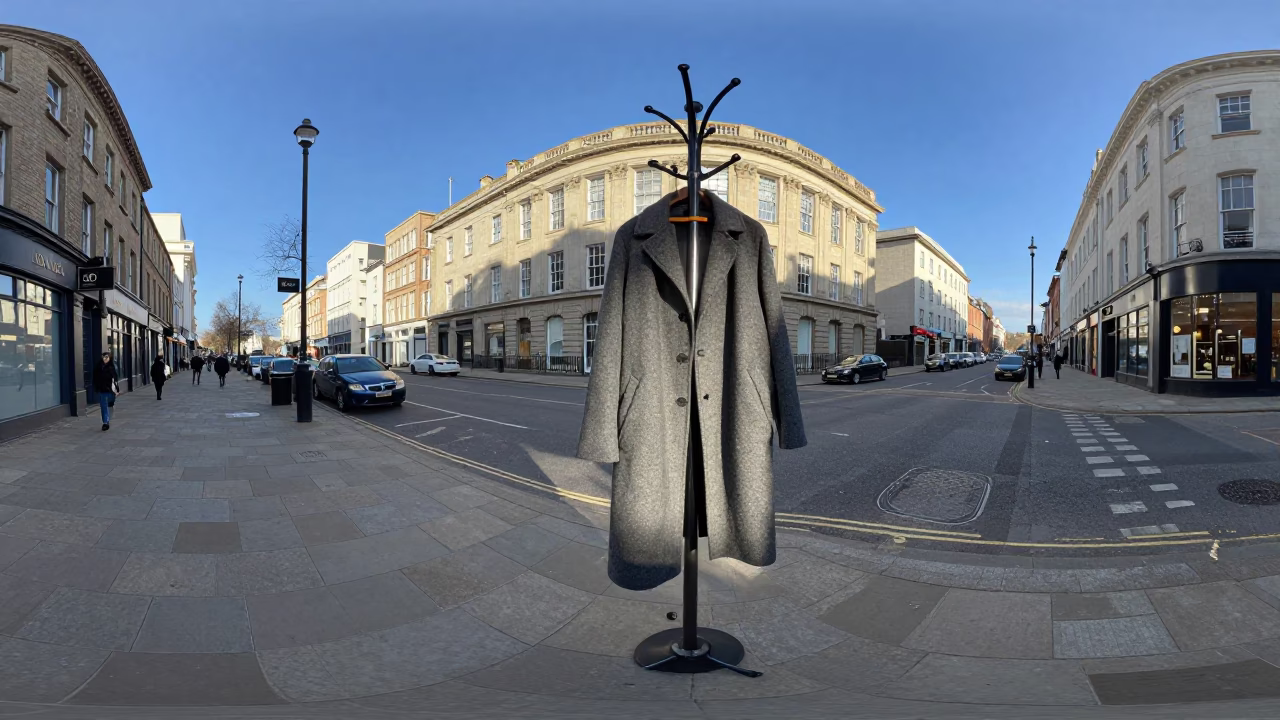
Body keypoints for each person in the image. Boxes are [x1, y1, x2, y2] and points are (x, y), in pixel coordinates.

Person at [93, 351, 118, 431]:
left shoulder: (112, 367)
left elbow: (115, 379)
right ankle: (105, 422)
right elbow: (95, 378)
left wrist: (116, 389)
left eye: (107, 357)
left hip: (111, 390)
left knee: (110, 405)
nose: (105, 359)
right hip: (102, 390)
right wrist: (97, 387)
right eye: (104, 357)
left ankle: (108, 419)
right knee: (104, 406)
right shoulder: (98, 367)